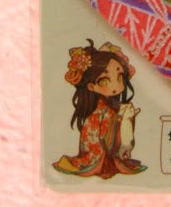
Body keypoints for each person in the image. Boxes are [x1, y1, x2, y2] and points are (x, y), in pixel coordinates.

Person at [52, 40, 145, 179]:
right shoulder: (100, 110)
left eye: (119, 77)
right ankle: (104, 162)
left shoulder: (109, 106)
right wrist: (120, 120)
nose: (115, 85)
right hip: (96, 146)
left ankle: (111, 159)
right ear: (91, 86)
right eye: (104, 81)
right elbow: (105, 130)